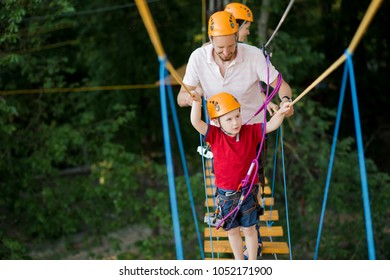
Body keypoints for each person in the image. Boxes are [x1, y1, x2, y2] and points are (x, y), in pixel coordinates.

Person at [178, 10, 294, 258]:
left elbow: (282, 86)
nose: (227, 51)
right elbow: (181, 97)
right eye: (221, 47)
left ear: (237, 36)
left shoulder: (252, 55)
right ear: (210, 39)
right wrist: (191, 98)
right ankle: (231, 215)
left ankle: (252, 229)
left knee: (254, 178)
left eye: (232, 45)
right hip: (219, 132)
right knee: (227, 176)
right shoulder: (197, 58)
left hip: (252, 127)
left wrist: (285, 101)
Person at [190, 91, 291, 260]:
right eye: (229, 119)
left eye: (237, 116)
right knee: (232, 231)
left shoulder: (250, 131)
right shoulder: (215, 135)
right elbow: (195, 121)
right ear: (216, 122)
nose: (236, 122)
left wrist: (281, 112)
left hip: (248, 192)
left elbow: (271, 125)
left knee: (250, 229)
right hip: (226, 195)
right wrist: (196, 103)